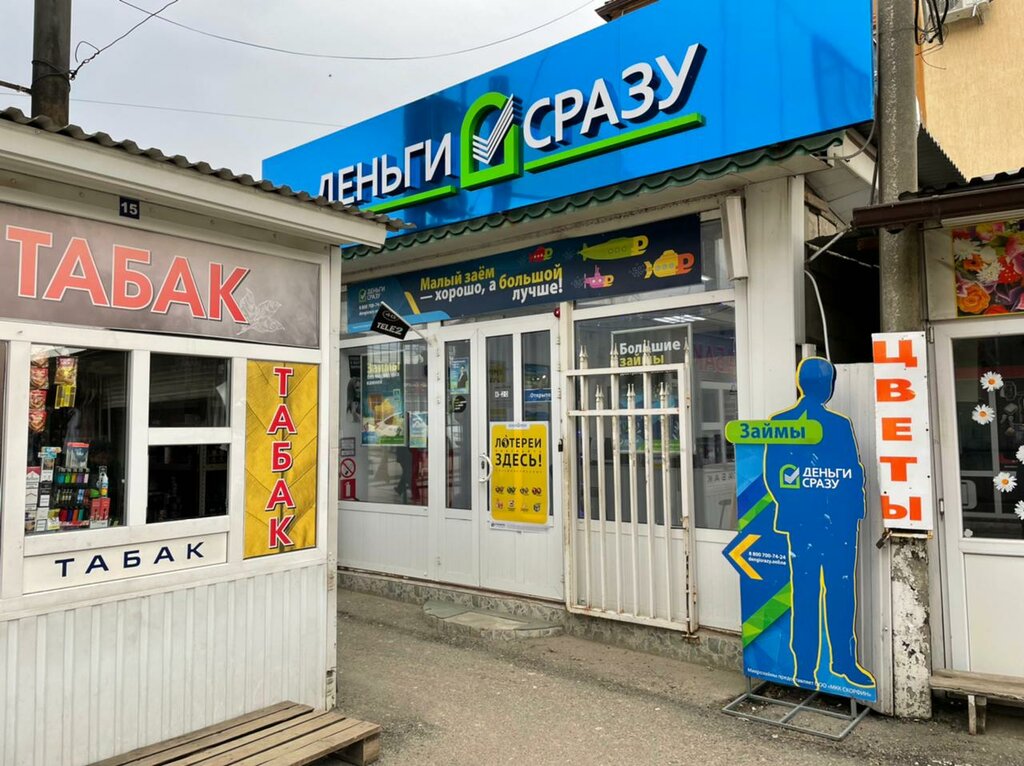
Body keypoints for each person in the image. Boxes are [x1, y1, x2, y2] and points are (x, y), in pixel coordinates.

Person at [763, 357, 874, 689]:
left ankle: (808, 666)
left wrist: (802, 507)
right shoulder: (834, 425)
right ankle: (837, 663)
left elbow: (776, 477)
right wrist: (849, 512)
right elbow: (851, 472)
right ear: (829, 386)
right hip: (831, 524)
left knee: (807, 592)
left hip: (812, 524)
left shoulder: (787, 423)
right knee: (837, 590)